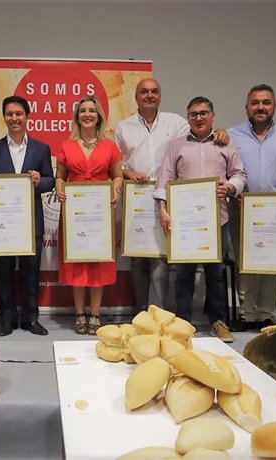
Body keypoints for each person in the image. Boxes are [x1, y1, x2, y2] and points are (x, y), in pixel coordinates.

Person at [115, 78, 229, 315]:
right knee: (138, 259)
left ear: (160, 95)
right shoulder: (123, 127)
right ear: (136, 97)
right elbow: (116, 166)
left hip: (169, 200)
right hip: (136, 198)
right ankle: (140, 312)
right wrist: (128, 172)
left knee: (161, 256)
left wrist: (221, 132)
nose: (149, 95)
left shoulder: (176, 123)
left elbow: (201, 136)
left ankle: (156, 313)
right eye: (144, 91)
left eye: (154, 91)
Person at [154, 96, 246, 343]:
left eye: (203, 113)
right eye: (193, 114)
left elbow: (239, 174)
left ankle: (218, 321)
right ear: (188, 119)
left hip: (217, 219)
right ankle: (183, 323)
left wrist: (229, 187)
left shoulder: (225, 144)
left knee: (215, 273)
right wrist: (162, 208)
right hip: (184, 222)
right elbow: (165, 178)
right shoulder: (176, 146)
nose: (198, 118)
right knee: (182, 273)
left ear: (212, 116)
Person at [227, 84, 276, 329]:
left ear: (274, 106)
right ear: (247, 107)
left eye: (266, 102)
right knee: (244, 260)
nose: (260, 107)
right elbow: (224, 169)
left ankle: (266, 313)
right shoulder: (231, 135)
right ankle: (246, 313)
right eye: (255, 103)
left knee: (272, 261)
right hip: (243, 208)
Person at [0, 96, 55, 336]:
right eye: (9, 114)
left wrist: (39, 180)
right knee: (4, 272)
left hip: (30, 222)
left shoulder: (41, 148)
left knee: (30, 273)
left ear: (27, 116)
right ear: (4, 117)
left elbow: (51, 181)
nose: (14, 118)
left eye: (19, 113)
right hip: (2, 224)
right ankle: (7, 319)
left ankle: (30, 318)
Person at [55, 96, 124, 335]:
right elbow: (60, 176)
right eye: (82, 111)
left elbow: (117, 175)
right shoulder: (66, 146)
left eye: (92, 111)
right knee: (77, 263)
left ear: (98, 116)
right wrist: (59, 187)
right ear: (77, 117)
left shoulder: (110, 146)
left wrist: (115, 189)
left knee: (98, 263)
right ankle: (79, 314)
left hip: (99, 215)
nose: (87, 114)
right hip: (74, 214)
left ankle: (95, 314)